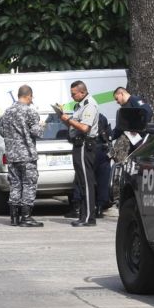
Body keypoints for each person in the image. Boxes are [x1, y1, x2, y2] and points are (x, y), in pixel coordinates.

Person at [1, 85, 44, 228]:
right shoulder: (30, 112)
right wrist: (42, 125)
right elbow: (37, 133)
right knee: (29, 185)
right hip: (27, 155)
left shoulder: (7, 112)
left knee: (15, 185)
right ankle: (26, 217)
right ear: (29, 96)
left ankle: (14, 217)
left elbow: (2, 131)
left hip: (12, 155)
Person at [59, 80, 99, 227]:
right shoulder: (79, 105)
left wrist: (68, 119)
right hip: (78, 143)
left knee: (86, 182)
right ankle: (83, 215)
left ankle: (89, 217)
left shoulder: (89, 105)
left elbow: (84, 127)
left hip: (84, 144)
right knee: (81, 182)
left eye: (74, 93)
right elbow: (74, 124)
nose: (72, 96)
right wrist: (64, 118)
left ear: (82, 92)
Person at [112, 87, 153, 152]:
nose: (117, 102)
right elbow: (120, 127)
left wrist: (137, 127)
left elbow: (148, 112)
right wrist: (111, 136)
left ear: (121, 94)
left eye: (117, 99)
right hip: (135, 143)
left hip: (143, 140)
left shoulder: (134, 100)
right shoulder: (124, 108)